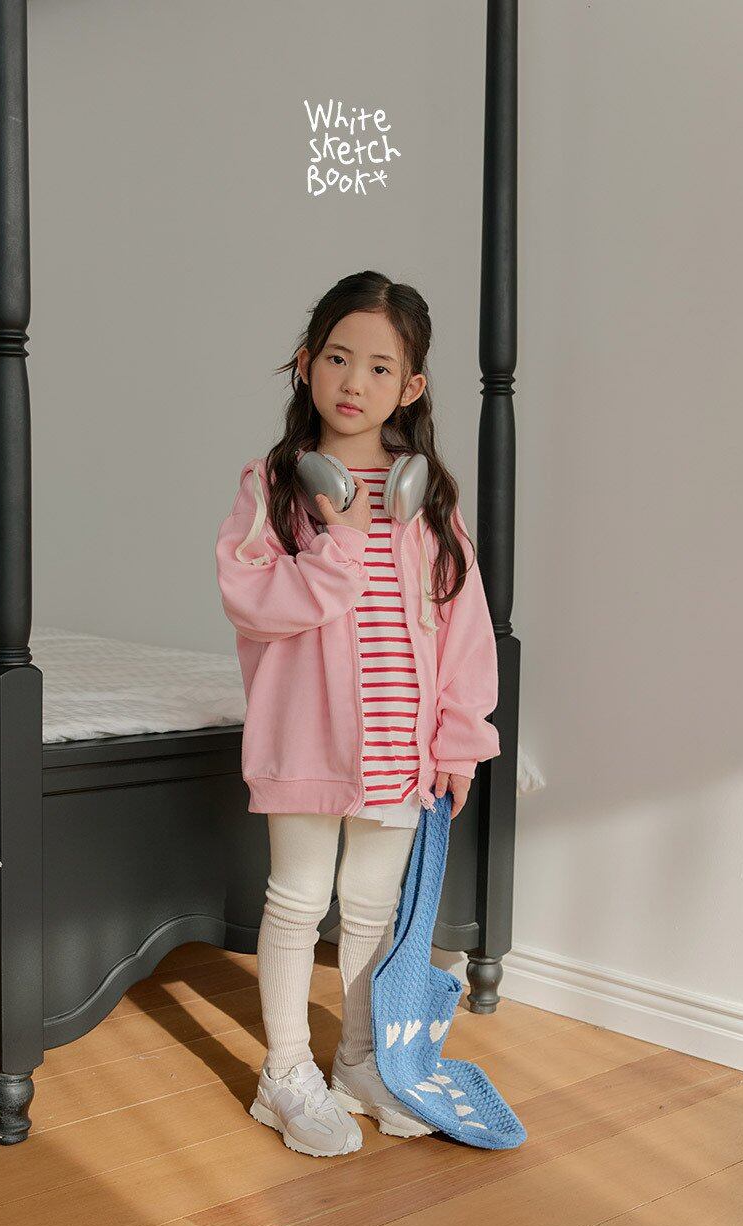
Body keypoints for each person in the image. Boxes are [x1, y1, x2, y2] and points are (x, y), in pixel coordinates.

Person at [214, 270, 500, 1158]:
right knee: (298, 900)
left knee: (372, 908)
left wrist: (459, 740)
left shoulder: (428, 497)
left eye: (380, 367)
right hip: (307, 740)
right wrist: (336, 540)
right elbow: (253, 602)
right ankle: (285, 1073)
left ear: (410, 387)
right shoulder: (273, 486)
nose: (354, 381)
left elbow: (465, 628)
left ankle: (359, 1061)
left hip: (399, 743)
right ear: (306, 364)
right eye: (338, 358)